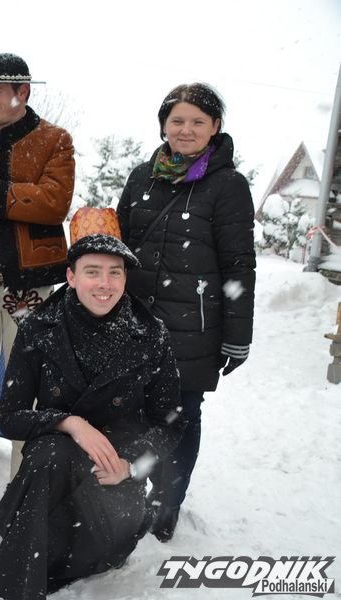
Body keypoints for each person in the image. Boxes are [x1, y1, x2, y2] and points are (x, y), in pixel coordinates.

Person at [0, 207, 185, 600]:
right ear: (71, 276)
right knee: (50, 455)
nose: (104, 284)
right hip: (53, 467)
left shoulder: (151, 334)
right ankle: (19, 586)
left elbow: (171, 423)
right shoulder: (38, 327)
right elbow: (9, 416)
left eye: (115, 272)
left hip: (114, 469)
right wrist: (71, 423)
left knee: (94, 542)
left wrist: (129, 465)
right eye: (92, 271)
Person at [116, 82, 256, 542]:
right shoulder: (142, 176)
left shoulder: (228, 186)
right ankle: (129, 489)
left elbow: (239, 265)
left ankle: (166, 500)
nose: (186, 129)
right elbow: (119, 246)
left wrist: (237, 335)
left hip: (193, 327)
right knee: (131, 411)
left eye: (198, 121)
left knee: (180, 416)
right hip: (135, 322)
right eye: (177, 120)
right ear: (163, 125)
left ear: (215, 127)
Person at [0, 53, 76, 495]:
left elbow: (54, 202)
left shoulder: (54, 140)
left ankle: (23, 479)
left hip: (33, 285)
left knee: (27, 384)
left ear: (22, 92)